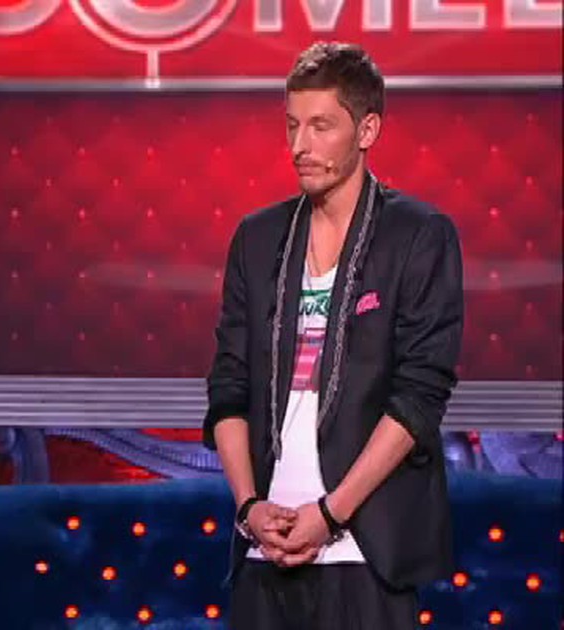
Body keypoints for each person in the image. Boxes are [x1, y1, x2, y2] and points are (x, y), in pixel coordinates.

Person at [203, 41, 464, 630]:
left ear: (367, 129)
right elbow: (228, 385)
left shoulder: (418, 235)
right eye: (292, 125)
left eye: (321, 126)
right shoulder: (257, 239)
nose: (300, 145)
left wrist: (330, 513)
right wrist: (248, 507)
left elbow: (418, 397)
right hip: (264, 547)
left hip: (365, 553)